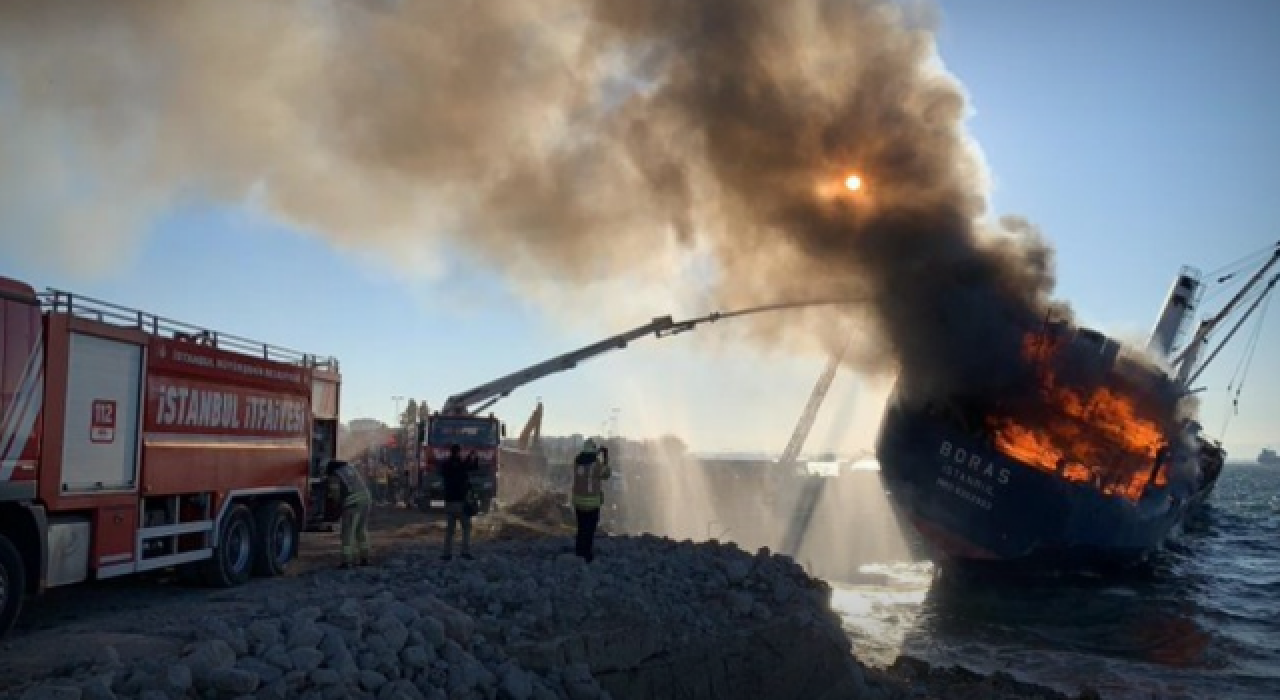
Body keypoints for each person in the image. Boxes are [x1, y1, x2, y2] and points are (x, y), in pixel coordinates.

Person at [571, 438, 612, 563]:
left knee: (581, 527)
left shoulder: (577, 461)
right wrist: (605, 458)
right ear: (593, 450)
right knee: (590, 529)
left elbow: (587, 462)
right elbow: (606, 474)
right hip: (592, 503)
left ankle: (579, 551)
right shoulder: (596, 464)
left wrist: (596, 453)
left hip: (578, 502)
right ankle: (587, 555)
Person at [326, 459, 372, 568]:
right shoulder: (349, 468)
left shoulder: (334, 475)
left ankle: (346, 561)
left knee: (348, 533)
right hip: (366, 500)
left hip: (352, 504)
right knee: (361, 530)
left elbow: (335, 493)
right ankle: (365, 558)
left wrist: (334, 504)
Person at [440, 443, 475, 561]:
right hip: (461, 501)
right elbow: (471, 467)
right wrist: (471, 457)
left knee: (450, 530)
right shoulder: (461, 465)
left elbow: (446, 472)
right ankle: (465, 552)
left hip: (449, 501)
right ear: (459, 452)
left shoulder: (446, 464)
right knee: (466, 528)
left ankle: (447, 554)